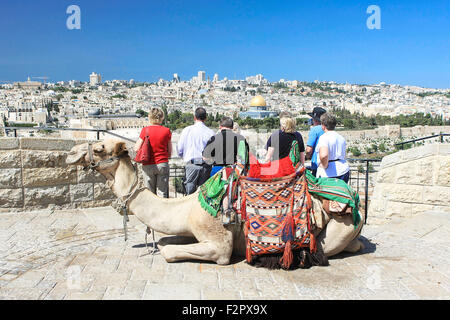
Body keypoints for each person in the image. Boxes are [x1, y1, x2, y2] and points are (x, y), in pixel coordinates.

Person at [134, 107, 172, 198]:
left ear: (149, 117)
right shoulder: (166, 131)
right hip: (162, 163)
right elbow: (170, 151)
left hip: (148, 164)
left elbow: (136, 148)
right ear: (162, 117)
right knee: (162, 193)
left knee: (150, 193)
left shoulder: (145, 130)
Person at [177, 107, 214, 194]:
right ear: (205, 118)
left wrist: (184, 156)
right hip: (206, 166)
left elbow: (180, 148)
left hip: (192, 165)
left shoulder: (187, 130)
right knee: (203, 194)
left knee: (189, 194)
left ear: (194, 117)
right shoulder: (210, 132)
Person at [315, 113, 350, 182]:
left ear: (323, 126)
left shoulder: (324, 138)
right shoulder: (341, 137)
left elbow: (324, 155)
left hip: (329, 173)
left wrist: (324, 166)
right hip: (343, 170)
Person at [305, 107, 327, 177]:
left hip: (317, 164)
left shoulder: (314, 130)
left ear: (315, 120)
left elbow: (309, 149)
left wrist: (306, 157)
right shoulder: (328, 129)